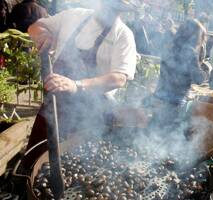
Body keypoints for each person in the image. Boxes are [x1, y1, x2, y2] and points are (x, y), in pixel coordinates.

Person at [24, 0, 137, 167]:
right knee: (36, 154)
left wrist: (76, 84)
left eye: (117, 8)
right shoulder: (74, 15)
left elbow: (120, 77)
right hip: (55, 103)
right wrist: (42, 34)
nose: (111, 11)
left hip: (90, 111)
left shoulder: (123, 35)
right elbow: (36, 26)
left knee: (75, 162)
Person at [150, 19, 208, 132]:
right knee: (168, 135)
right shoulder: (190, 52)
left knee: (155, 132)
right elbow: (198, 79)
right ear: (195, 35)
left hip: (159, 95)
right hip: (174, 101)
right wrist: (206, 70)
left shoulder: (170, 46)